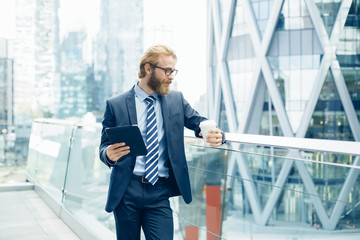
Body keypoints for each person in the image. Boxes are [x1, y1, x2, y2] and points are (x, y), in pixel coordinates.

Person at [99, 44, 225, 240]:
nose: (171, 76)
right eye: (167, 70)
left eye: (173, 70)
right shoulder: (116, 105)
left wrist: (217, 134)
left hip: (159, 191)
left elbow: (197, 122)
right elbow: (104, 146)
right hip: (126, 190)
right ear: (148, 69)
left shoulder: (176, 100)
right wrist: (108, 154)